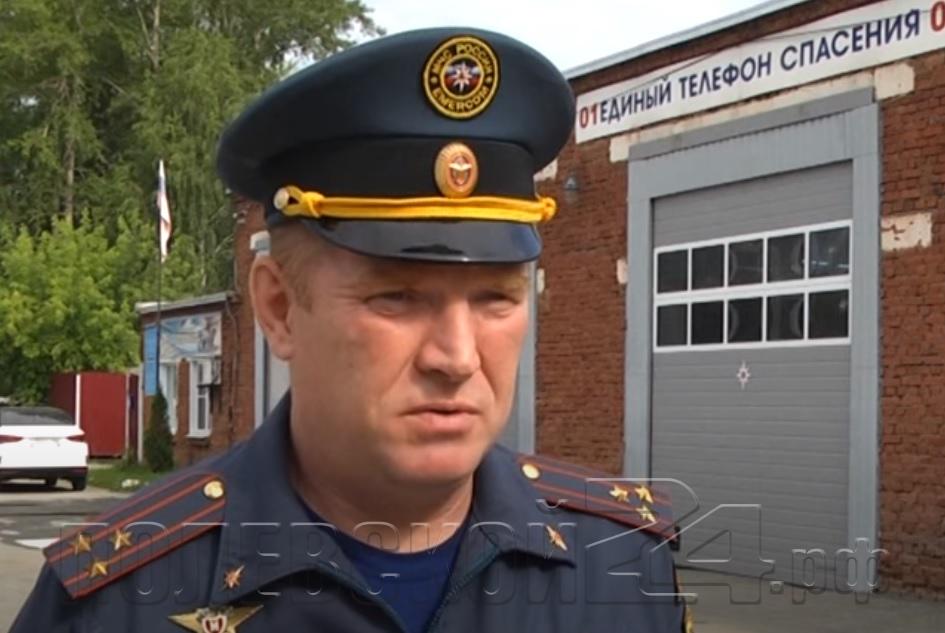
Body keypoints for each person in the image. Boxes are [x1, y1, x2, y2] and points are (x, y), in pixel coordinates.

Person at [11, 27, 691, 633]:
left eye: (495, 297)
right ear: (279, 308)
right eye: (398, 298)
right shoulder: (117, 600)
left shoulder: (623, 568)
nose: (457, 357)